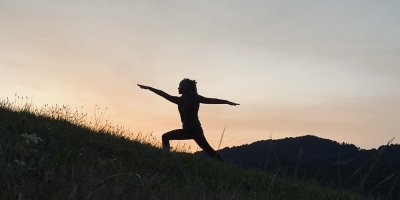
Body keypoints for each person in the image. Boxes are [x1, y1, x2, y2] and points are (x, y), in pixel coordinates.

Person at [138, 78, 239, 160]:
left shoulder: (195, 98)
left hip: (195, 130)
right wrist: (149, 88)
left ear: (185, 88)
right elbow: (163, 94)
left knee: (210, 152)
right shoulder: (179, 100)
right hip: (187, 130)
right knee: (165, 137)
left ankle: (166, 158)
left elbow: (212, 100)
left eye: (180, 86)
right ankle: (167, 158)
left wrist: (227, 102)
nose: (178, 87)